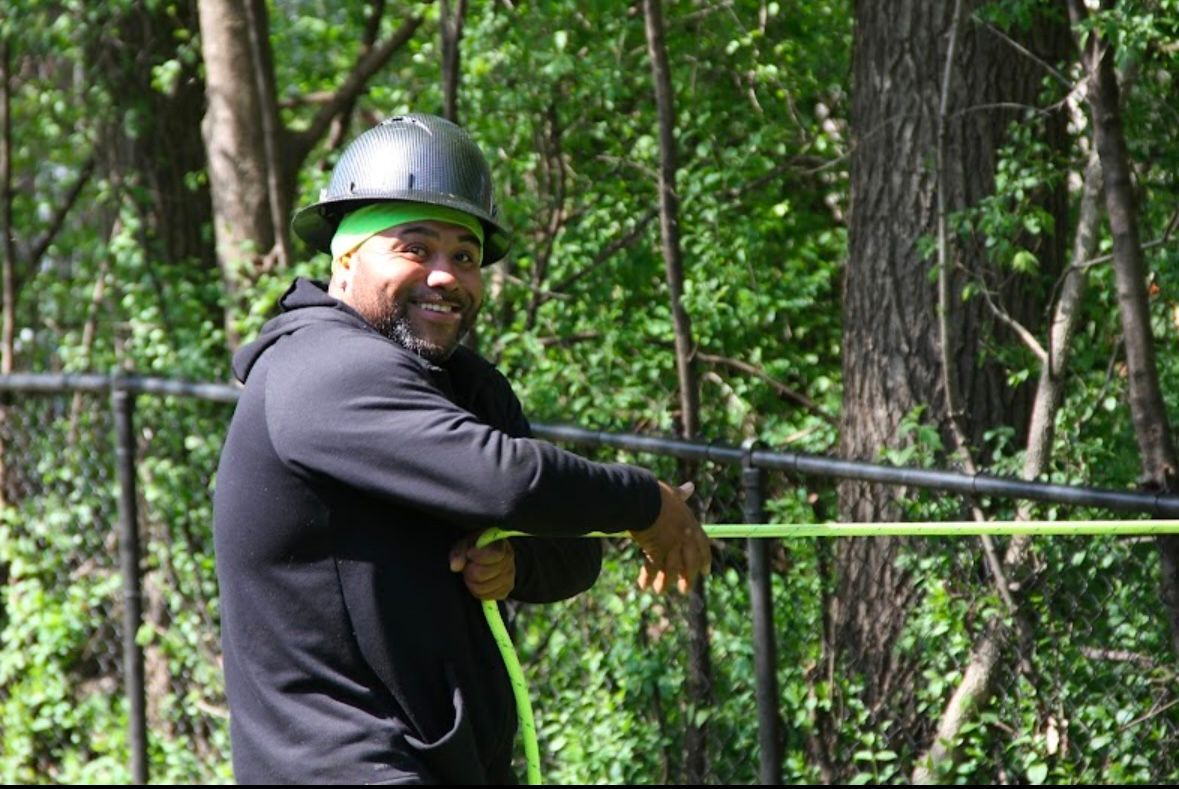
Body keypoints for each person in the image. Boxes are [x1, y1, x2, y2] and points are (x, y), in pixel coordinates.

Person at [212, 113, 711, 785]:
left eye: (465, 255)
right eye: (415, 248)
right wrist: (642, 500)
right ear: (346, 258)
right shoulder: (320, 368)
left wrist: (513, 563)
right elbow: (508, 482)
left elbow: (570, 552)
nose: (445, 275)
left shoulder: (463, 386)